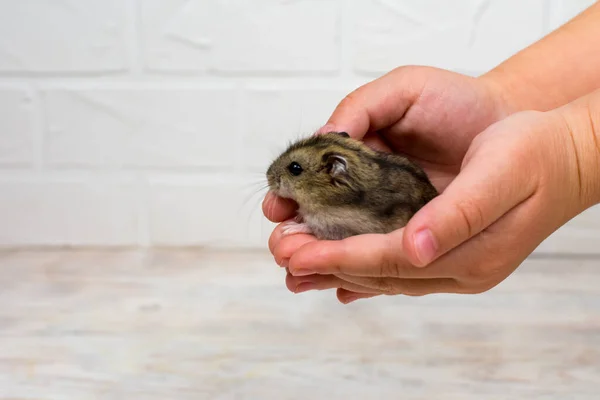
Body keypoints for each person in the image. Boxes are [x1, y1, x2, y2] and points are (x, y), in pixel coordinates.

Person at [262, 2, 600, 304]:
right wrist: (503, 100)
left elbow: (339, 226)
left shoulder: (341, 201)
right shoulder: (343, 190)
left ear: (334, 171)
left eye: (295, 170)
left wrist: (574, 153)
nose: (278, 176)